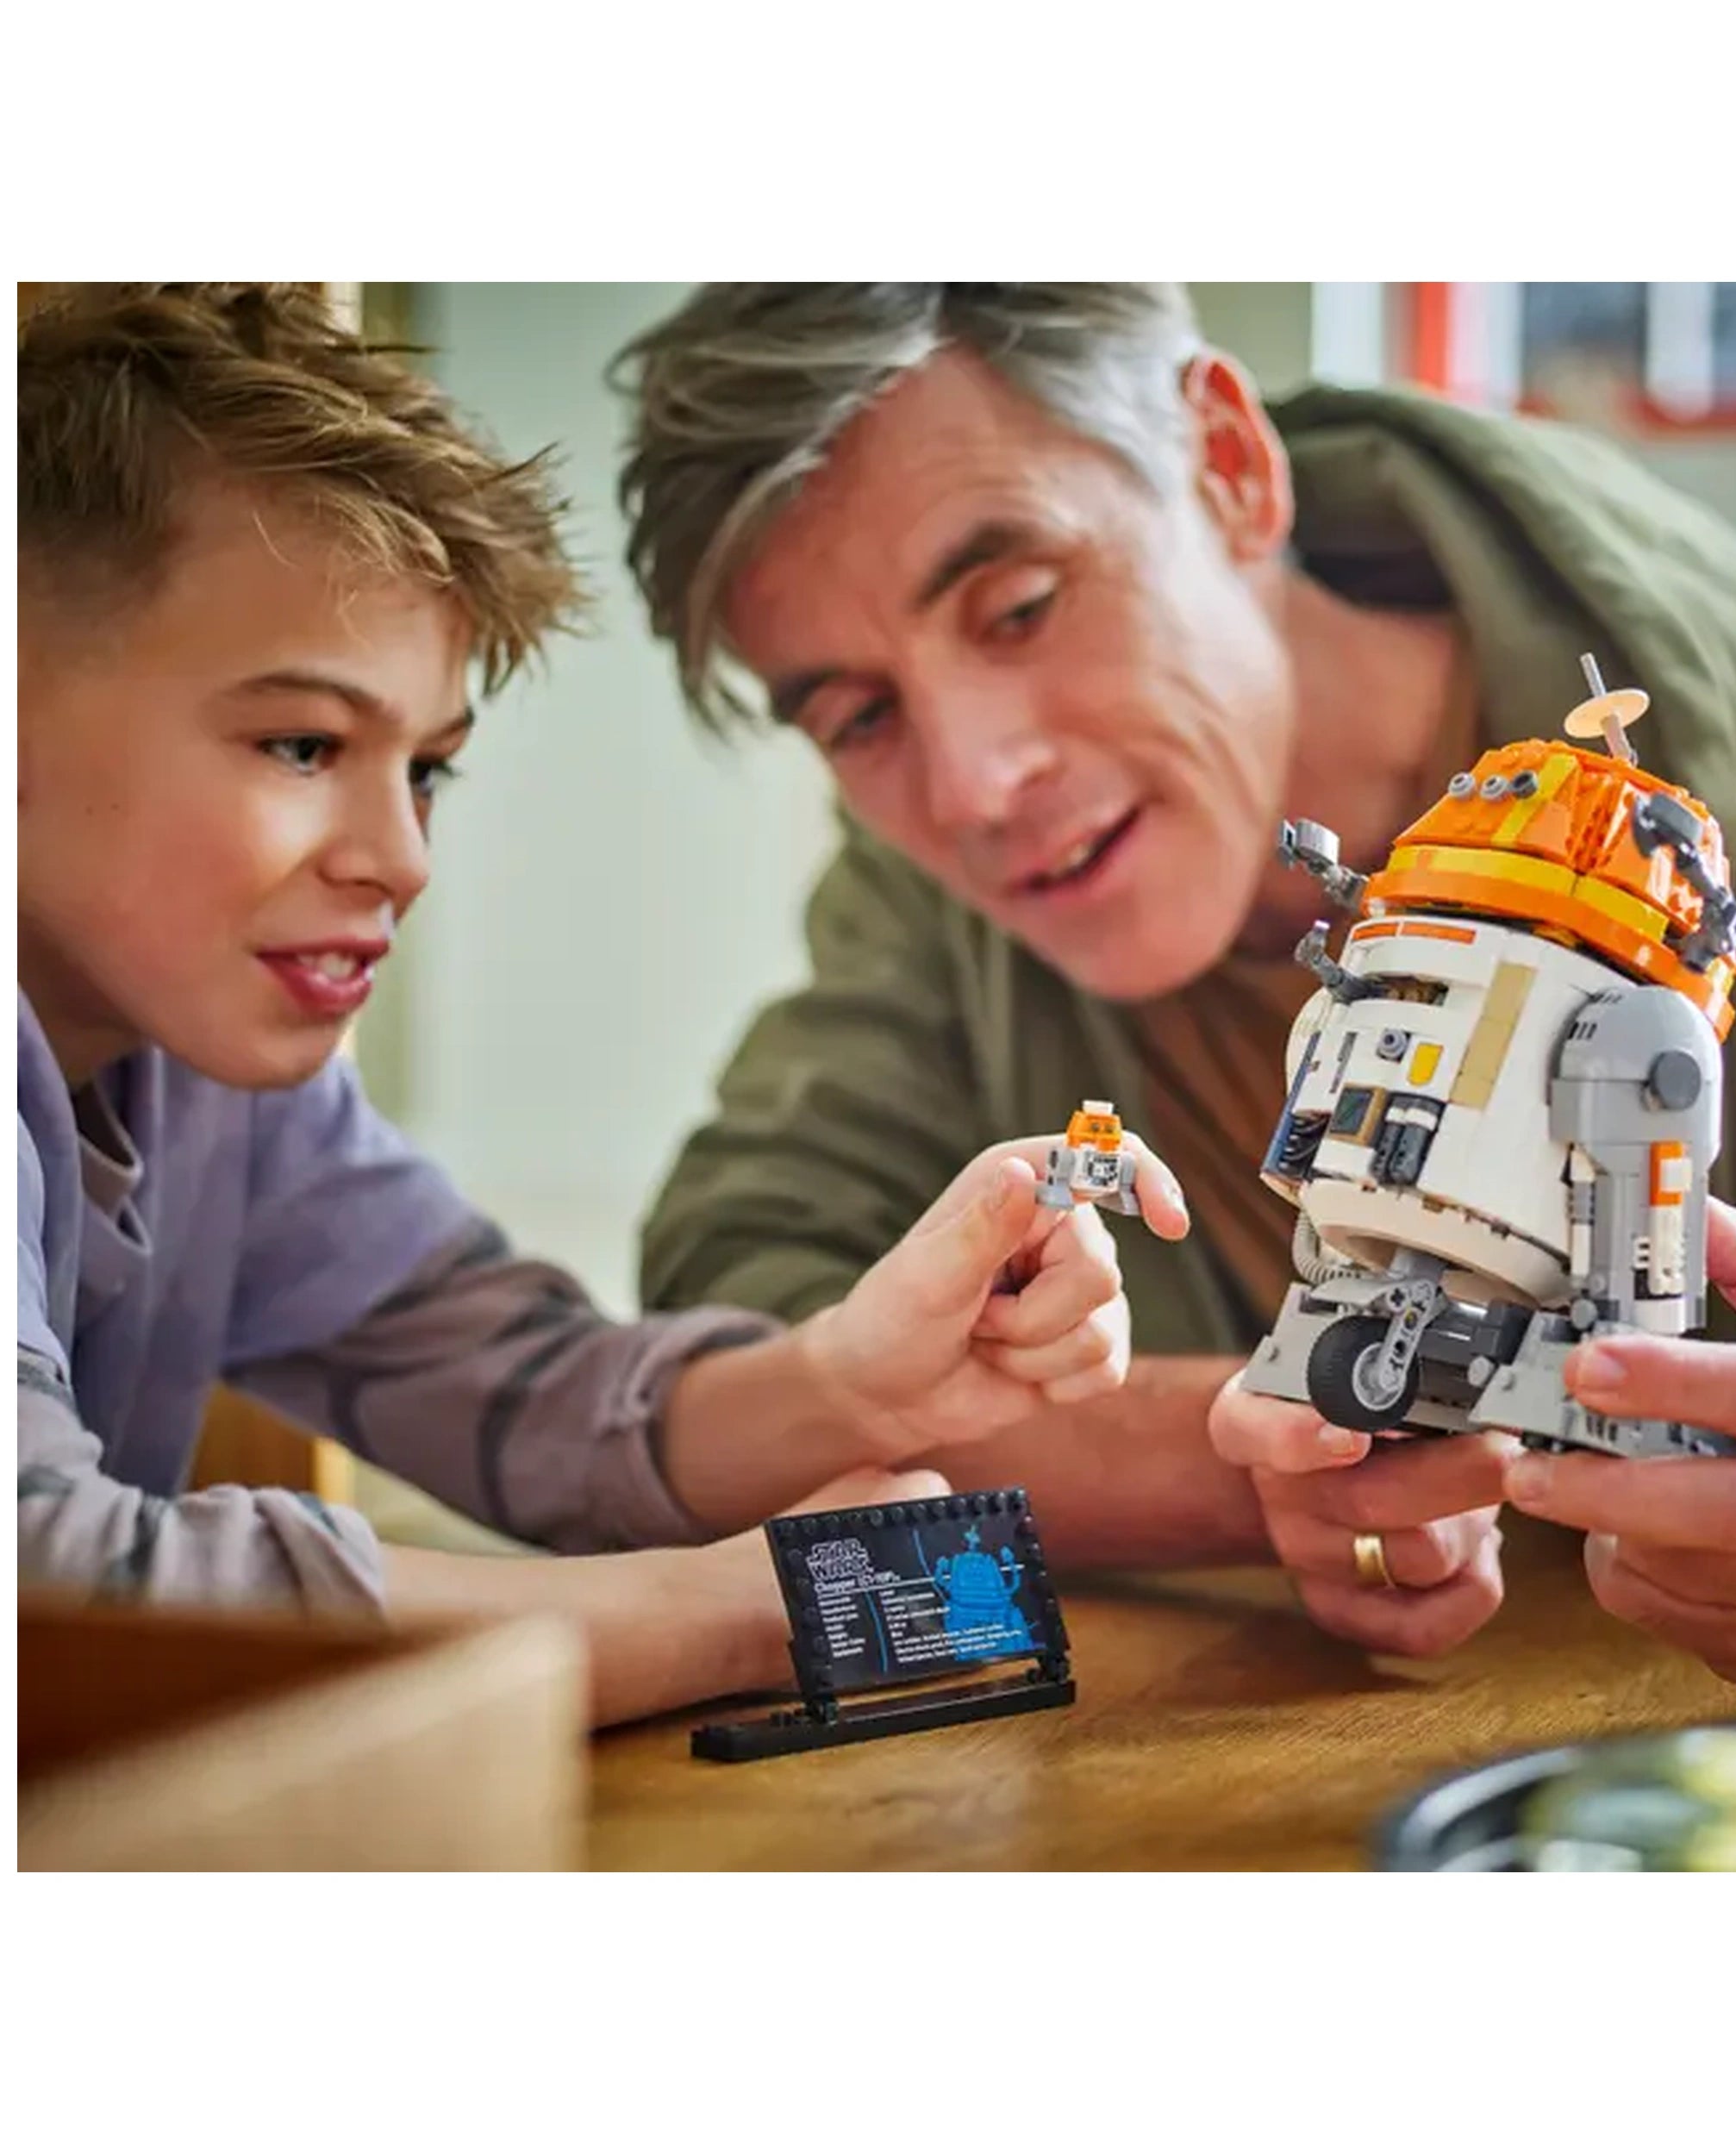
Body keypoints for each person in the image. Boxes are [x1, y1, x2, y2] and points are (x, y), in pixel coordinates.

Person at [614, 282, 1736, 1691]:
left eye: (1020, 608)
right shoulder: (935, 907)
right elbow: (714, 1357)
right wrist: (1285, 1444)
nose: (975, 784)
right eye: (858, 717)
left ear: (1227, 467)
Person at [16, 282, 1189, 1729]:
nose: (402, 858)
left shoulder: (221, 1090)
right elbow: (46, 1585)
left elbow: (544, 1400)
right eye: (304, 744)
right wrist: (734, 1614)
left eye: (426, 768)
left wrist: (856, 1383)